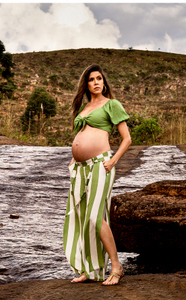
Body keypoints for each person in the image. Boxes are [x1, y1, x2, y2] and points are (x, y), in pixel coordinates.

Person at [63, 64, 132, 285]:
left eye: (99, 78)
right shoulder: (83, 109)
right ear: (86, 84)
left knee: (94, 216)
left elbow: (127, 138)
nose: (96, 82)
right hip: (80, 169)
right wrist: (74, 160)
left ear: (104, 82)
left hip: (100, 165)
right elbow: (82, 135)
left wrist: (112, 161)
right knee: (83, 217)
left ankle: (117, 267)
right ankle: (90, 270)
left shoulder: (111, 104)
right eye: (91, 79)